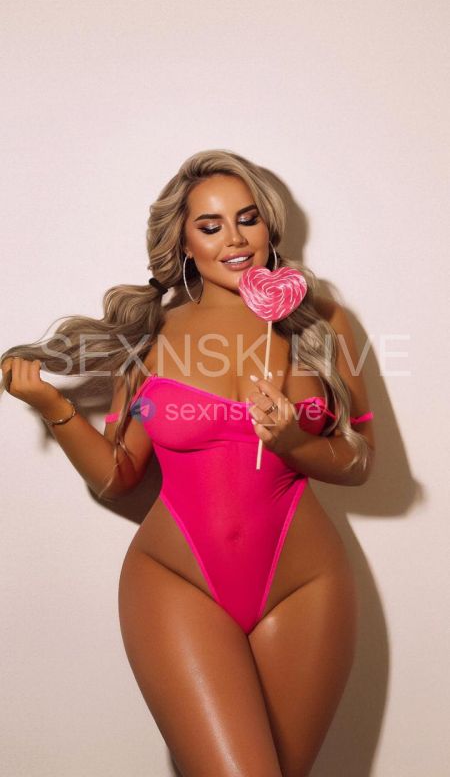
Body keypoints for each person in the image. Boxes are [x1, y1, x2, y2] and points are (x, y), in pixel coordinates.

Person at [1, 149, 375, 777]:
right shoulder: (150, 335)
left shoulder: (322, 321)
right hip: (178, 581)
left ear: (269, 225)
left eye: (248, 219)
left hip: (305, 587)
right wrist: (52, 406)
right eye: (210, 225)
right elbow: (119, 476)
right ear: (183, 242)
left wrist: (294, 441)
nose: (235, 239)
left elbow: (361, 462)